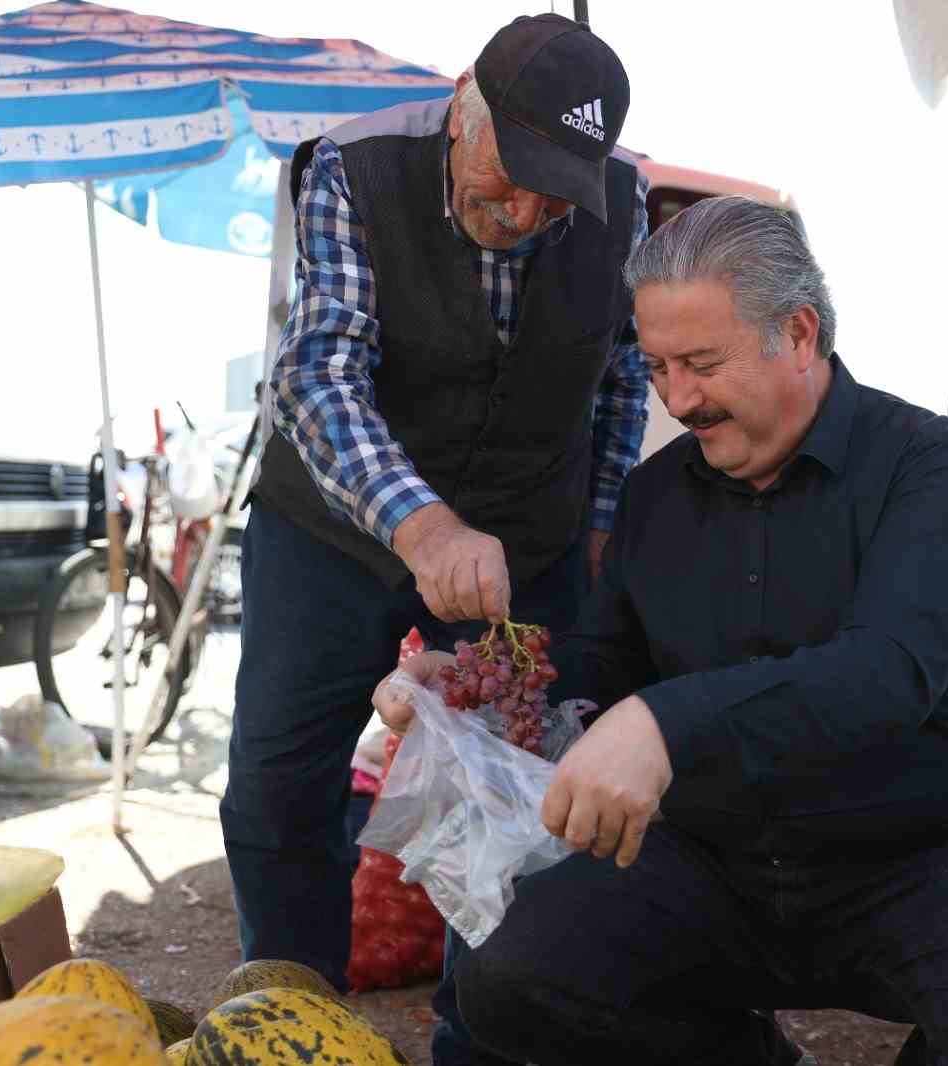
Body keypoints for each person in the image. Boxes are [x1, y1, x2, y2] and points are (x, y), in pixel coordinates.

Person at [374, 196, 948, 1065]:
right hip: (705, 859)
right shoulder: (656, 494)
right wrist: (470, 689)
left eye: (701, 362)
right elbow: (602, 666)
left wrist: (667, 725)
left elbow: (887, 672)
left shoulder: (930, 467)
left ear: (799, 334)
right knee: (508, 978)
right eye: (657, 366)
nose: (678, 398)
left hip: (910, 859)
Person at [223, 13, 647, 1065]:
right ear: (463, 103)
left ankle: (480, 1036)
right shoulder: (353, 172)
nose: (525, 210)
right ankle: (293, 1025)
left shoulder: (626, 202)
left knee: (517, 799)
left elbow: (624, 378)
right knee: (278, 784)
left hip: (534, 536)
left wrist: (598, 528)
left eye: (556, 188)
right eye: (508, 176)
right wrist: (424, 523)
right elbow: (318, 376)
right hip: (334, 527)